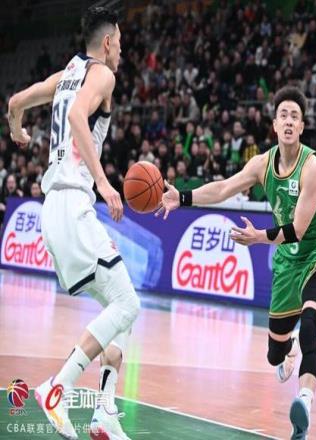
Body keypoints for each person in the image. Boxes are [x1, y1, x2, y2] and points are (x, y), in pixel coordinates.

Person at [157, 86, 316, 440]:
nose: (289, 122)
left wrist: (258, 237)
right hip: (287, 263)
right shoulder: (262, 164)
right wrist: (183, 197)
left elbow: (298, 230)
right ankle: (286, 351)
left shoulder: (313, 167)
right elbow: (224, 188)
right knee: (274, 354)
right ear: (274, 124)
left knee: (310, 325)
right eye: (283, 115)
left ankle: (304, 403)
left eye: (295, 117)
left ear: (302, 127)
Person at [7, 7, 139, 440]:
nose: (121, 50)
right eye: (120, 42)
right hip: (74, 203)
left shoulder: (68, 73)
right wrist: (103, 182)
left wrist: (16, 127)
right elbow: (79, 117)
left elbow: (16, 101)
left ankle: (104, 411)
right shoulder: (102, 75)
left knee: (120, 310)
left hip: (55, 209)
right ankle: (57, 389)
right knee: (128, 305)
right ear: (107, 42)